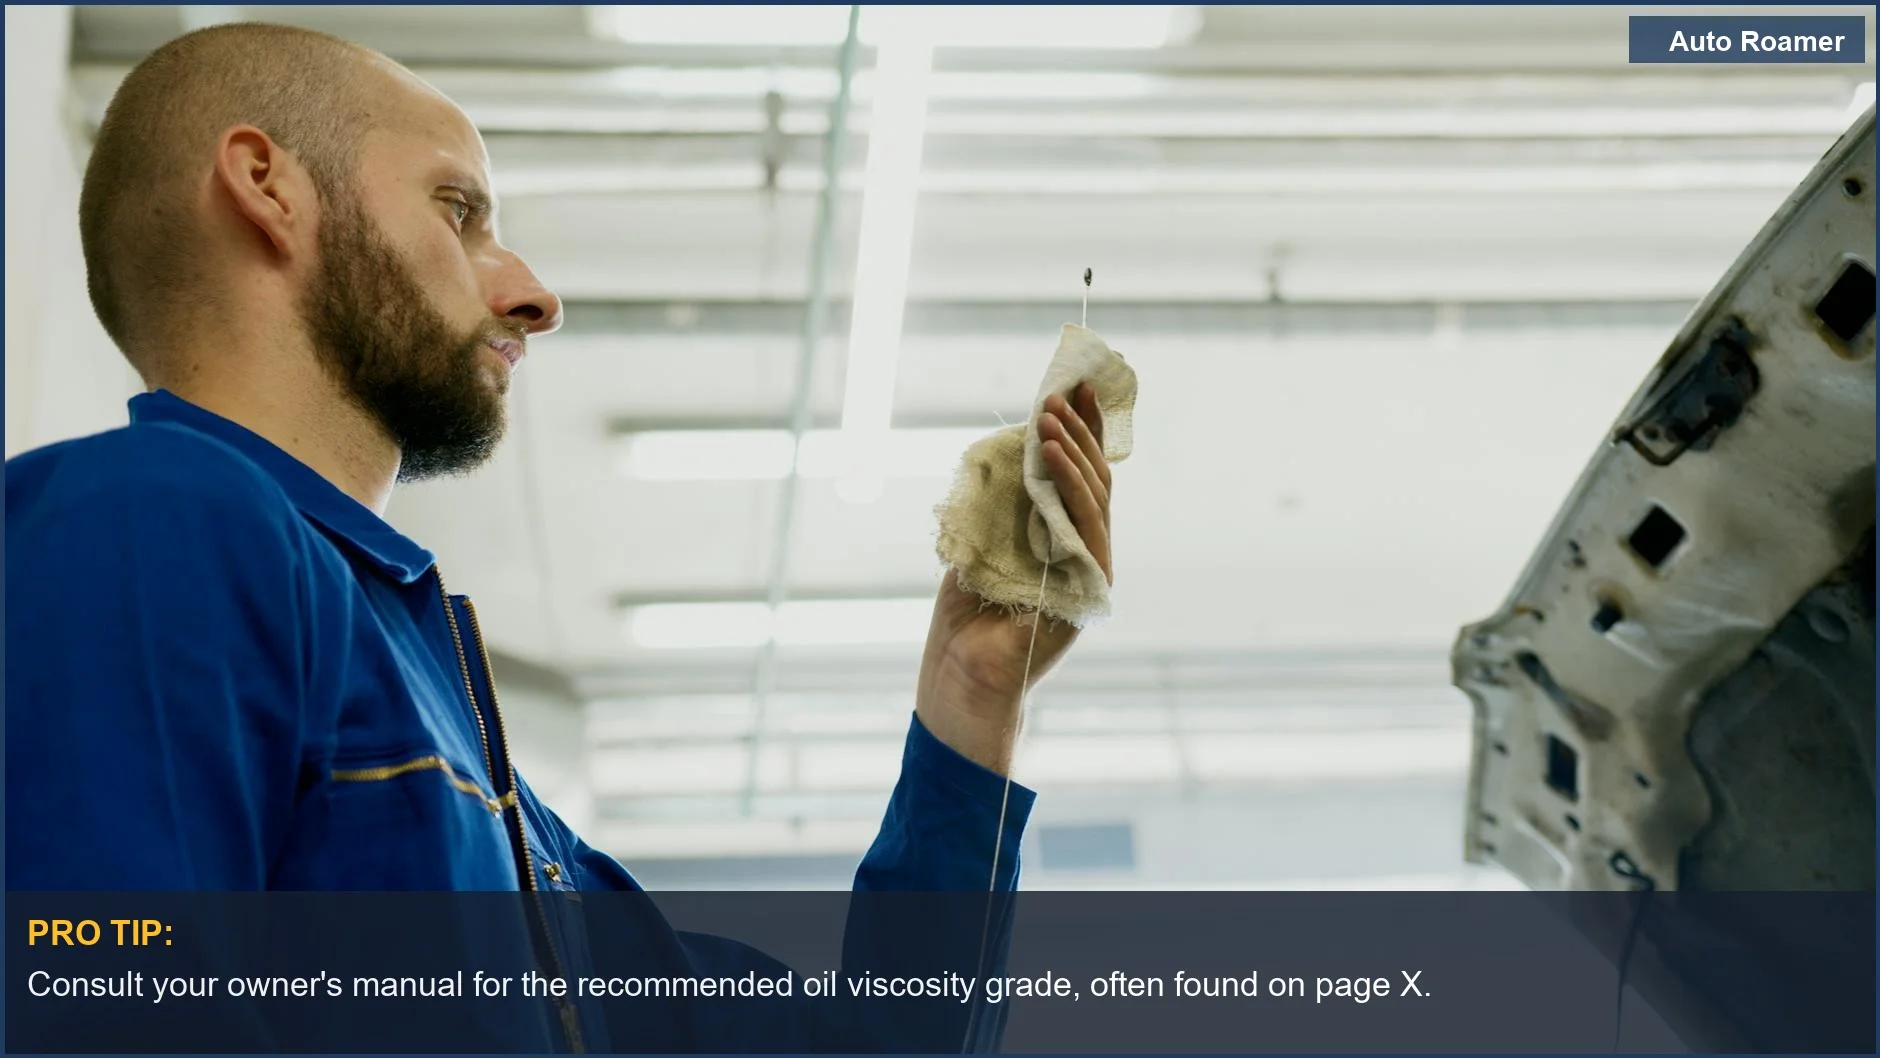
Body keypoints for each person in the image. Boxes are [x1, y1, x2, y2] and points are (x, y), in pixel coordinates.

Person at [3, 22, 1116, 1053]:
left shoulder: (479, 776)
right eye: (458, 210)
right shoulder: (151, 518)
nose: (534, 295)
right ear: (266, 187)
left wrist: (975, 690)